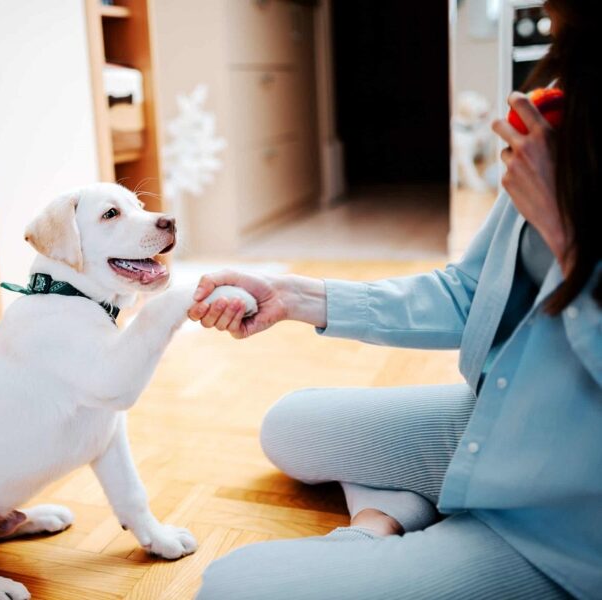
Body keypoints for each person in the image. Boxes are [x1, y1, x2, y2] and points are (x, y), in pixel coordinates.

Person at [189, 1, 600, 597]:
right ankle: (392, 518)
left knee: (231, 586)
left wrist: (567, 237)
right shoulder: (563, 116)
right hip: (505, 420)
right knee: (290, 426)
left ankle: (414, 534)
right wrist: (294, 295)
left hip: (568, 519)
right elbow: (469, 290)